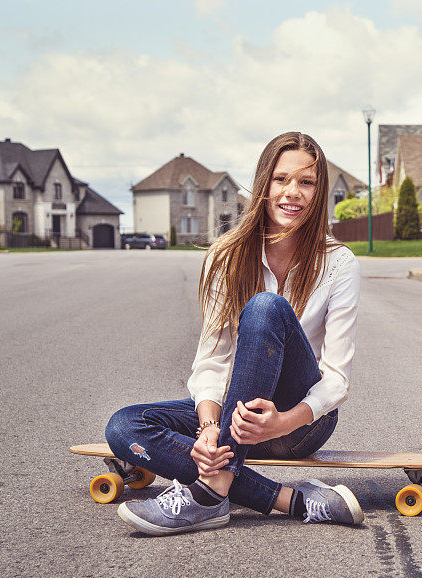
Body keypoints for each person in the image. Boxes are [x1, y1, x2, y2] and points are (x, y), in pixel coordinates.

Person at [105, 132, 363, 536]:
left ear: (319, 191)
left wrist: (282, 423)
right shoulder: (228, 254)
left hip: (296, 424)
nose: (292, 192)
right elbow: (212, 358)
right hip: (231, 420)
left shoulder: (339, 263)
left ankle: (209, 494)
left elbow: (337, 378)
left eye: (306, 182)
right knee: (124, 426)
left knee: (266, 308)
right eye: (281, 179)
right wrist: (208, 428)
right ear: (264, 184)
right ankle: (288, 500)